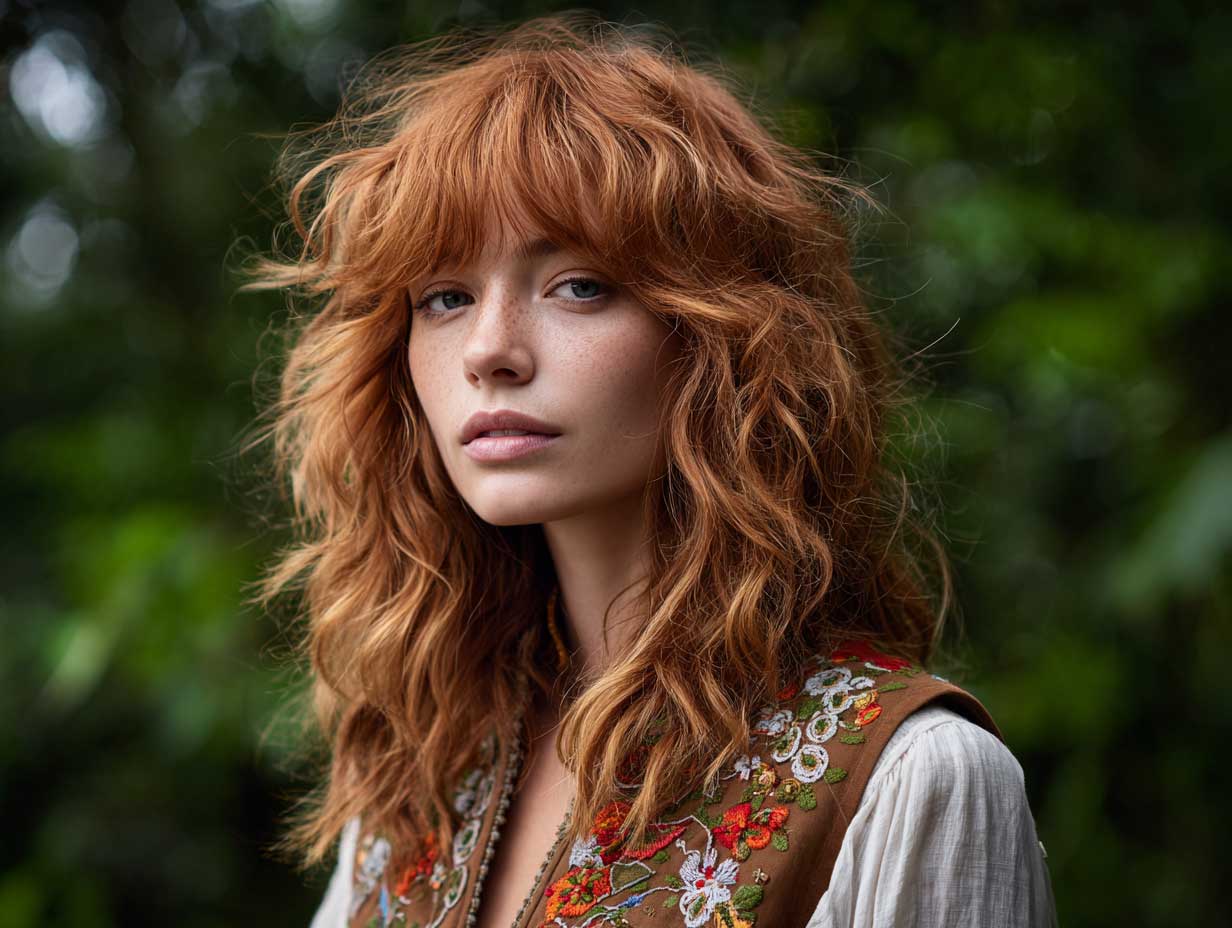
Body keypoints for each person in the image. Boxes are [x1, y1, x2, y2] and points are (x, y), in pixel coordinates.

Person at [239, 11, 1058, 928]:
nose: (488, 350)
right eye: (445, 296)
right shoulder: (420, 783)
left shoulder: (913, 780)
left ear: (722, 337)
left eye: (579, 285)